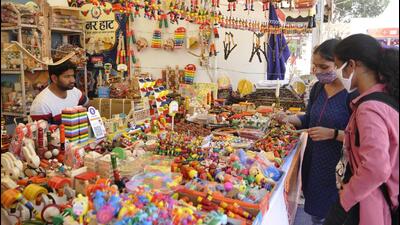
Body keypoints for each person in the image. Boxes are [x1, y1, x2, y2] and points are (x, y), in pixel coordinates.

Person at [276, 39, 356, 225]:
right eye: (315, 66)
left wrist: (333, 134)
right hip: (314, 163)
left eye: (324, 66)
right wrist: (290, 119)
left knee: (335, 215)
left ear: (341, 64)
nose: (318, 71)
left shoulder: (352, 94)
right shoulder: (318, 88)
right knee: (316, 215)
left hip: (337, 167)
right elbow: (310, 118)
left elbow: (361, 138)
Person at [324, 34, 399, 225]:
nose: (339, 74)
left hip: (371, 205)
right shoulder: (385, 97)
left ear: (352, 65)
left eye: (339, 66)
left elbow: (376, 168)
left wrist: (344, 201)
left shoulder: (369, 109)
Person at [30, 60, 89, 124]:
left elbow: (89, 108)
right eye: (67, 76)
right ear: (54, 78)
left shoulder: (75, 92)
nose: (73, 80)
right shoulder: (41, 104)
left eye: (72, 76)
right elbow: (41, 132)